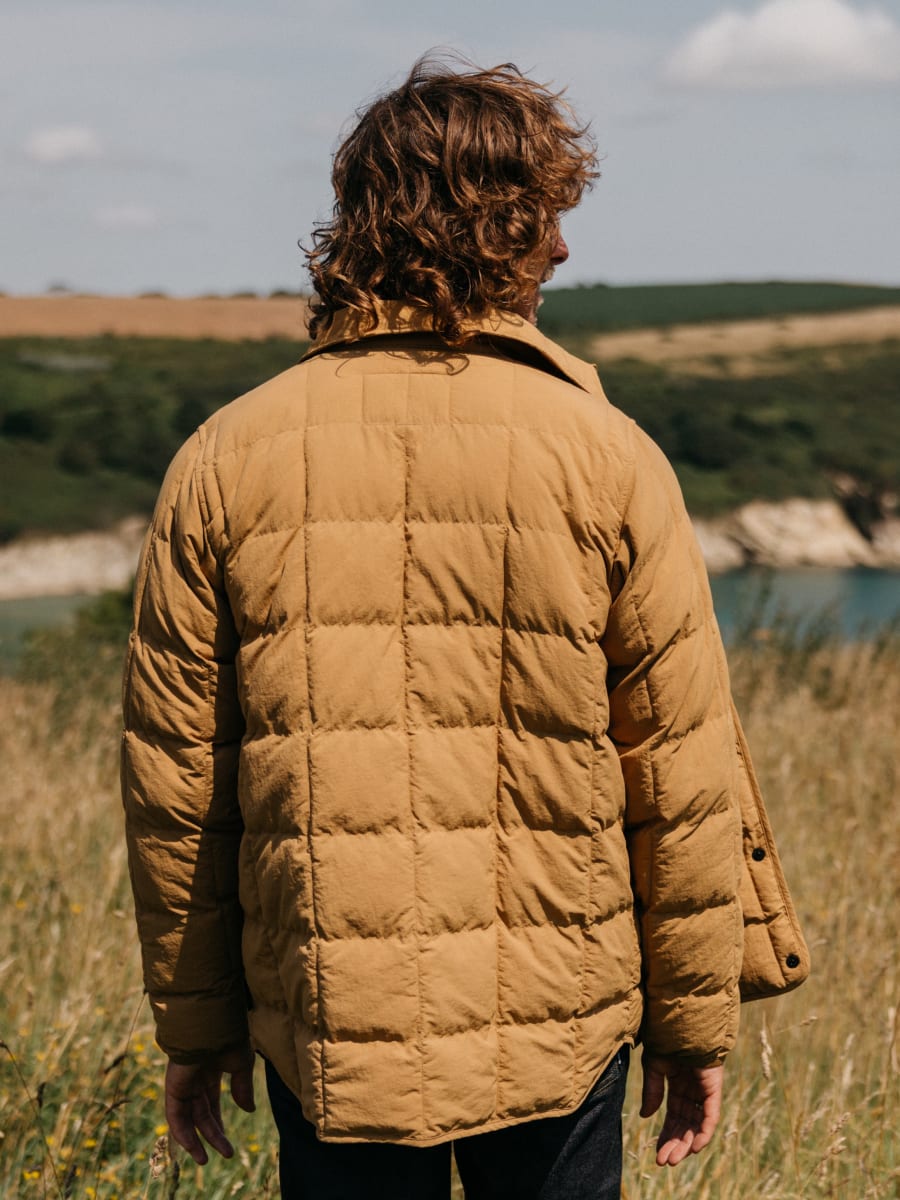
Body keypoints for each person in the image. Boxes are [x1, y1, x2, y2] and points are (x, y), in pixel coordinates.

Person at [121, 56, 809, 1200]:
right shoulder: (608, 454)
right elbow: (680, 772)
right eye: (545, 217)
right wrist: (695, 1025)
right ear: (496, 226)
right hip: (562, 1020)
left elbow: (180, 792)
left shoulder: (222, 459)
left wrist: (197, 1032)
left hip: (327, 1026)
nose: (566, 250)